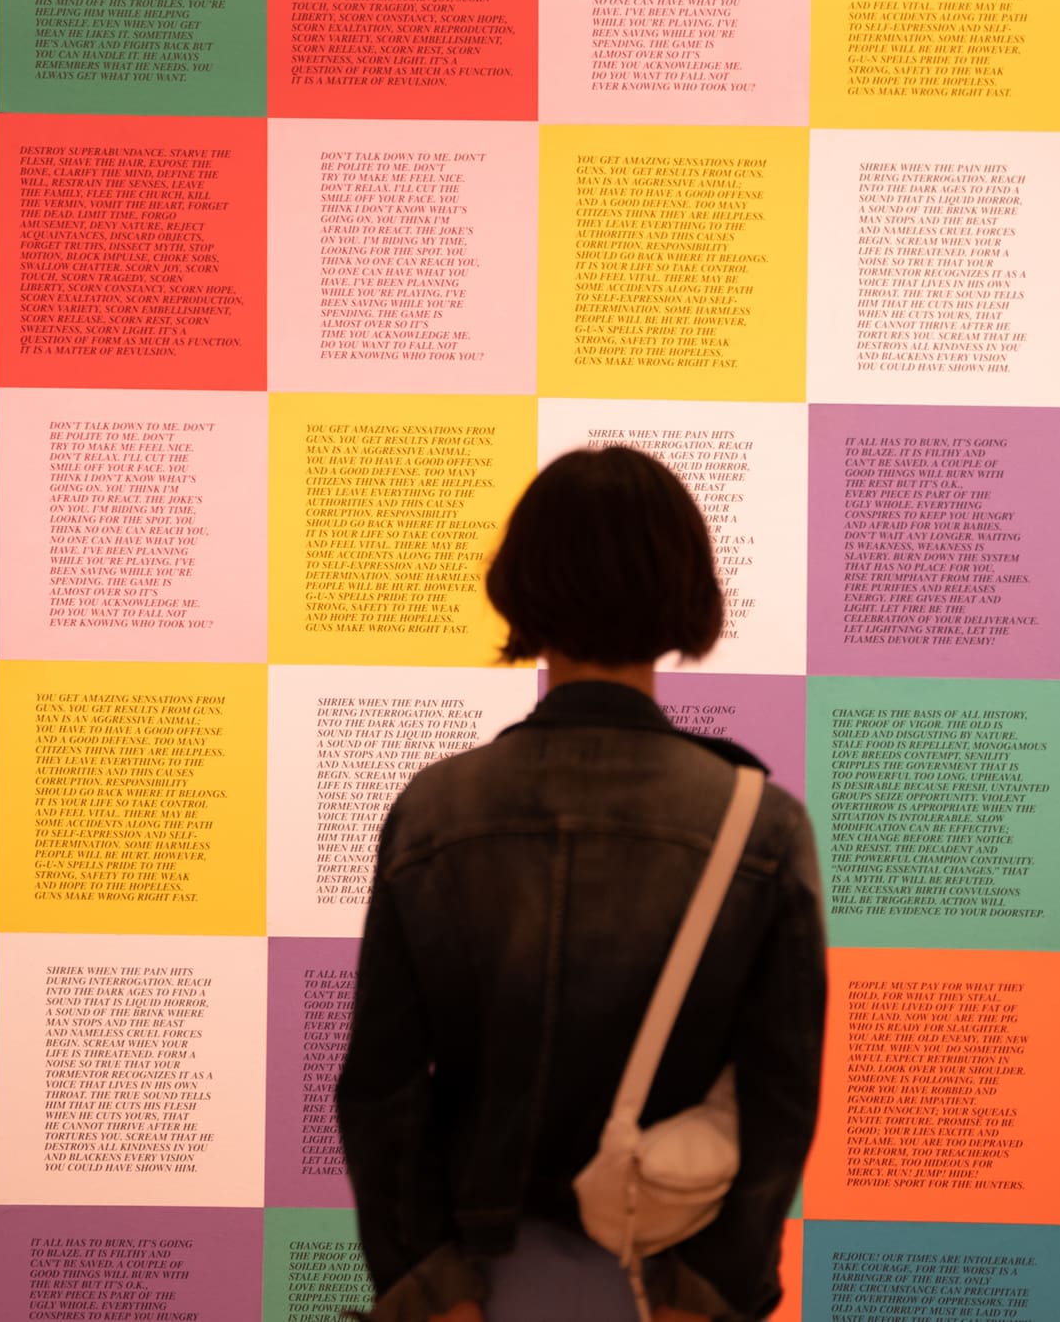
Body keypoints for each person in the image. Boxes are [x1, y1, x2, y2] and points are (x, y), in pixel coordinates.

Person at [336, 444, 828, 1322]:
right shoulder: (761, 826)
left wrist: (430, 1287)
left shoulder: (436, 814)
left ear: (521, 585)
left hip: (478, 1287)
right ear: (686, 593)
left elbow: (382, 1089)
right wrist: (712, 1290)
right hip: (665, 1279)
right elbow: (779, 1103)